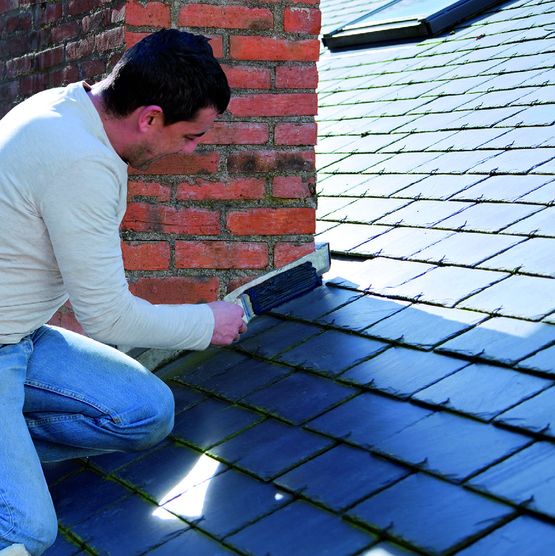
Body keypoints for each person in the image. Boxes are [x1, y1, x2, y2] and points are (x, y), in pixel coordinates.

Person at [0, 29, 246, 555]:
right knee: (26, 533)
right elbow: (108, 318)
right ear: (150, 116)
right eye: (190, 136)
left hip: (19, 337)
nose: (191, 150)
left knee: (144, 414)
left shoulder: (67, 106)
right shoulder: (80, 162)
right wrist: (208, 321)